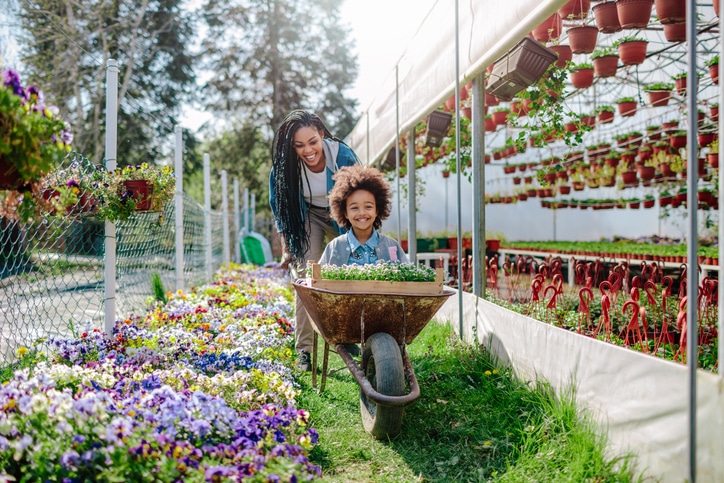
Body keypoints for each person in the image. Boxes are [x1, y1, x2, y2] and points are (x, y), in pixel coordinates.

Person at [269, 109, 360, 371]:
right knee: (307, 277)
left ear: (321, 134)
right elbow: (281, 210)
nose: (307, 150)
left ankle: (345, 335)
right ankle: (304, 351)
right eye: (299, 145)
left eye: (312, 142)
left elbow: (362, 195)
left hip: (341, 212)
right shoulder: (285, 169)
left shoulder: (342, 156)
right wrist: (287, 249)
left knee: (352, 267)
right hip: (307, 215)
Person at [319, 164, 408, 267]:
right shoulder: (335, 247)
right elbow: (318, 279)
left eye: (368, 207)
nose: (361, 213)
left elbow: (407, 278)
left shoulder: (392, 246)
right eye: (354, 208)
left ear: (377, 210)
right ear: (345, 213)